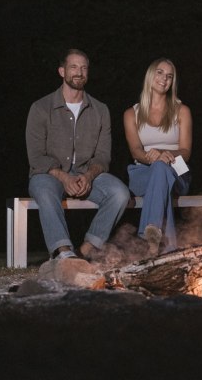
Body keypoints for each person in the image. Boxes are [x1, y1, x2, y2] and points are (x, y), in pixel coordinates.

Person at [26, 49, 130, 260]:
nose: (79, 72)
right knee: (44, 190)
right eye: (73, 67)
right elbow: (36, 156)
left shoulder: (100, 110)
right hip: (50, 174)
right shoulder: (41, 108)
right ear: (62, 71)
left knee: (119, 193)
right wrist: (64, 177)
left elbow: (102, 156)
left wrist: (89, 176)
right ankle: (64, 252)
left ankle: (88, 249)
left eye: (84, 68)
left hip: (85, 173)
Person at [124, 58, 192, 254]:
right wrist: (151, 157)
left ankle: (152, 242)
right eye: (160, 73)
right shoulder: (131, 113)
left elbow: (186, 152)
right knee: (160, 173)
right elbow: (136, 151)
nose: (164, 79)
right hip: (143, 171)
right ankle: (168, 249)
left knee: (162, 172)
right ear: (150, 75)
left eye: (169, 76)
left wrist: (165, 154)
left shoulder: (182, 110)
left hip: (177, 169)